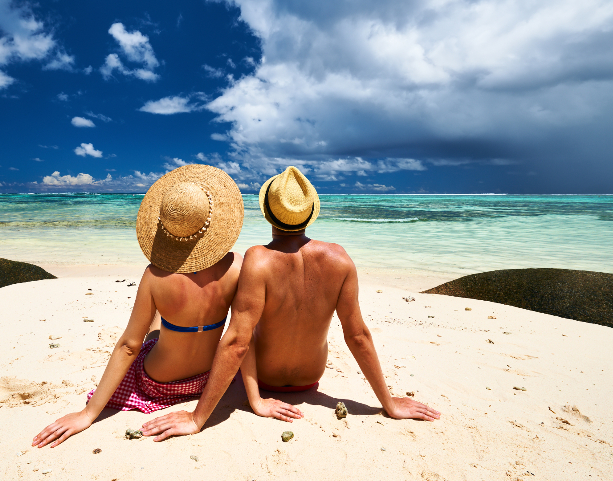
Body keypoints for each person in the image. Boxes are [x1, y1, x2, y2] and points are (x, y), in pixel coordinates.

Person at [142, 166, 441, 441]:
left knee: (170, 324)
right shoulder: (339, 259)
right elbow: (357, 336)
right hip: (311, 380)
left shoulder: (258, 260)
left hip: (265, 380)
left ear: (268, 215)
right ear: (311, 213)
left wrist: (198, 418)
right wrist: (388, 403)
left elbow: (237, 342)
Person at [32, 164, 244, 448]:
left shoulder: (155, 276)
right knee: (165, 323)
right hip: (206, 380)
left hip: (159, 383)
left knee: (151, 330)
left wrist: (88, 413)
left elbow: (129, 346)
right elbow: (242, 335)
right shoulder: (236, 266)